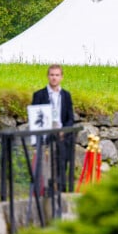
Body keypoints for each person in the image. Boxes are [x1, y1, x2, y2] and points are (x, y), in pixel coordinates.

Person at [32, 64, 75, 192]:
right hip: (46, 137)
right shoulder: (39, 95)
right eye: (52, 75)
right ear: (48, 76)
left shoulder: (66, 95)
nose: (54, 78)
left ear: (61, 77)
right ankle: (47, 193)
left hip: (62, 137)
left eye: (57, 75)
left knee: (62, 165)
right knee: (47, 167)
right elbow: (35, 117)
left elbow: (70, 118)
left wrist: (64, 131)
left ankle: (62, 193)